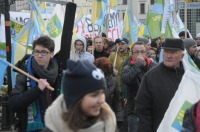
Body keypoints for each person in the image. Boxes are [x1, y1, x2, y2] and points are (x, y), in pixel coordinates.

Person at [42, 60, 117, 132]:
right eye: (94, 95)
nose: (102, 100)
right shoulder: (52, 129)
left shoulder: (108, 124)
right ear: (75, 98)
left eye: (102, 93)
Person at [8, 35, 60, 132]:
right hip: (33, 128)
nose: (39, 55)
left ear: (52, 54)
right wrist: (37, 90)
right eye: (36, 51)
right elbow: (13, 104)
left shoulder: (58, 71)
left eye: (44, 52)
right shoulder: (24, 71)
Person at [134, 38, 185, 132]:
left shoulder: (189, 77)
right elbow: (142, 110)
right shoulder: (150, 77)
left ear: (182, 56)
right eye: (166, 51)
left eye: (173, 52)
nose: (168, 56)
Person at [122, 41, 157, 132]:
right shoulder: (127, 68)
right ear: (132, 54)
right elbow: (127, 80)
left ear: (146, 53)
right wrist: (138, 65)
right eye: (136, 52)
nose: (139, 54)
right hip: (134, 111)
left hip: (152, 110)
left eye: (142, 51)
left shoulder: (154, 67)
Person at [94, 57, 124, 127]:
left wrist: (119, 117)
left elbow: (117, 100)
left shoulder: (113, 81)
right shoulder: (91, 81)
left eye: (107, 75)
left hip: (107, 114)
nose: (105, 77)